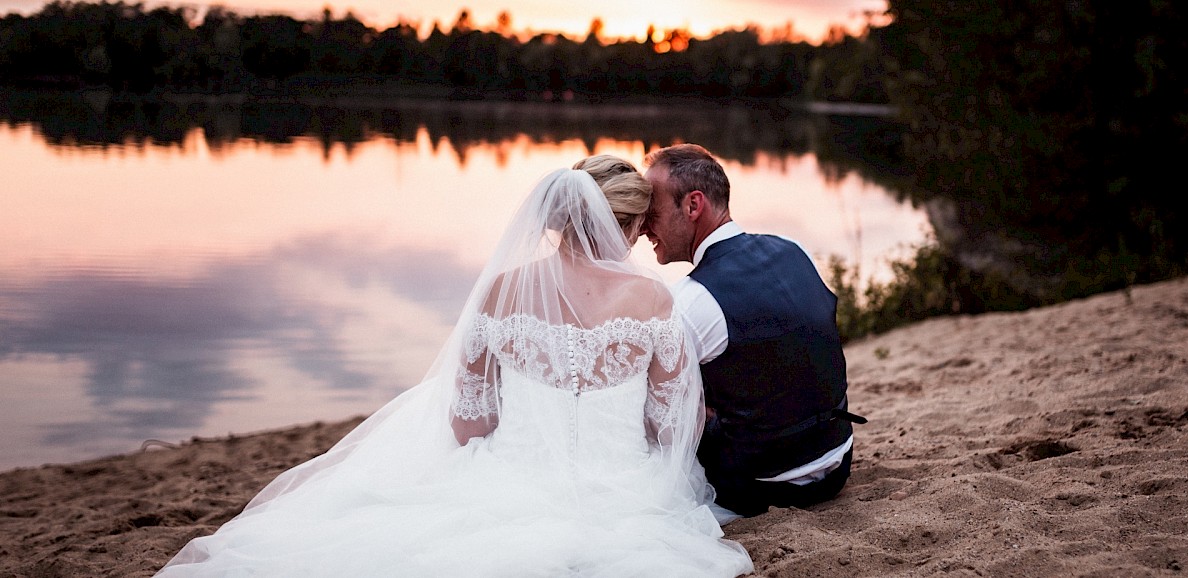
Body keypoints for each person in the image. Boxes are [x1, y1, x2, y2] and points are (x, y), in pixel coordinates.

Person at [156, 155, 753, 577]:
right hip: (626, 494)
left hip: (512, 483)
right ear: (622, 225)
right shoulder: (654, 301)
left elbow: (469, 424)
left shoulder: (499, 293)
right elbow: (672, 430)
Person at [640, 143, 866, 519]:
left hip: (762, 485)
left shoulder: (691, 299)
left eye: (653, 210)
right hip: (836, 461)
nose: (645, 225)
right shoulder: (794, 250)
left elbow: (663, 414)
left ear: (693, 206)